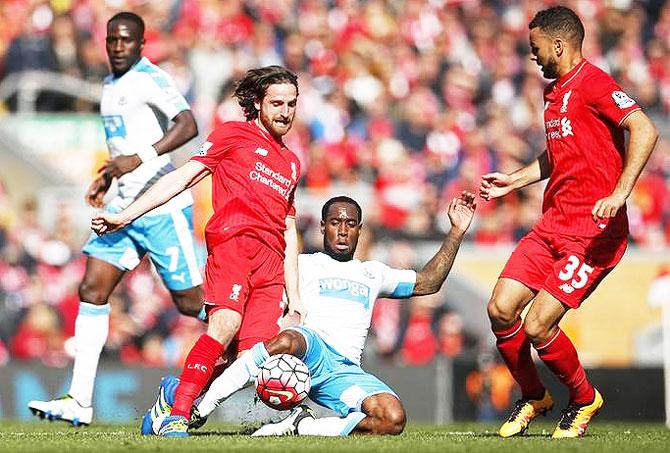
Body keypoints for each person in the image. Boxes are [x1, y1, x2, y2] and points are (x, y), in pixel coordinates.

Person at [143, 193, 477, 437]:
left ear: (360, 230)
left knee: (392, 418)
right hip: (307, 352)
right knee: (292, 336)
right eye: (335, 223)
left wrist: (457, 232)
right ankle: (197, 411)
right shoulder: (302, 264)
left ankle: (301, 427)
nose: (343, 230)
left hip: (343, 371)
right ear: (322, 227)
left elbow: (429, 282)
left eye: (350, 224)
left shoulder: (374, 273)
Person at [90, 65, 305, 437]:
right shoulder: (232, 136)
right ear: (257, 103)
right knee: (225, 324)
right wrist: (125, 215)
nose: (285, 112)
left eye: (291, 104)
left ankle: (174, 396)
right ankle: (179, 415)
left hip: (271, 266)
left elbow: (288, 226)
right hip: (234, 245)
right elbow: (182, 176)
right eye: (276, 103)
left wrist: (296, 298)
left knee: (250, 361)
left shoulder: (291, 162)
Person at [479, 6, 658, 439]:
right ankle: (535, 396)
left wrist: (620, 192)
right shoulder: (553, 91)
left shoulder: (594, 83)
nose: (533, 57)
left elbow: (645, 129)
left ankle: (583, 399)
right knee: (501, 308)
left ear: (558, 44)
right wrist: (514, 180)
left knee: (539, 322)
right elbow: (559, 153)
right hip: (551, 224)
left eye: (535, 48)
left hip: (593, 233)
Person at [28, 12, 203, 426]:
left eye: (126, 40)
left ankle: (262, 339)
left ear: (141, 44)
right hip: (122, 210)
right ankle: (79, 401)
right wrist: (107, 176)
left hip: (161, 207)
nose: (118, 46)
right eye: (112, 39)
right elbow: (123, 145)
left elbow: (189, 124)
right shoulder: (108, 84)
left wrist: (137, 159)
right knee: (92, 288)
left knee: (191, 303)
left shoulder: (150, 78)